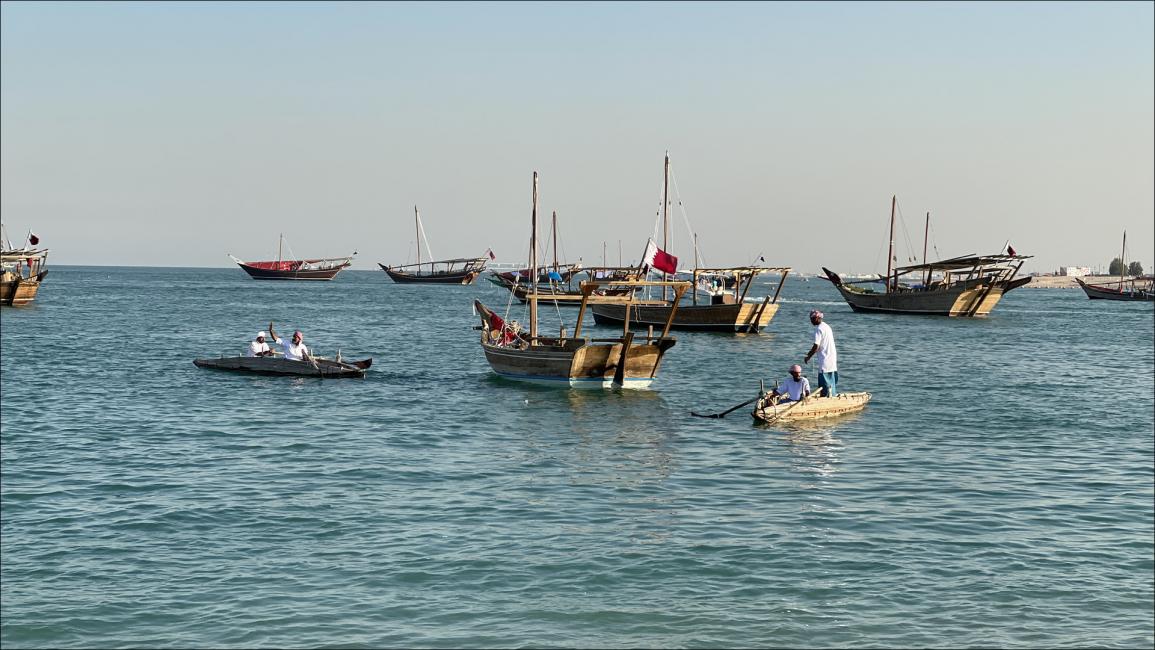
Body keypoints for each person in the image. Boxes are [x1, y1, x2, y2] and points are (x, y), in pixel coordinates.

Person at [803, 309, 838, 396]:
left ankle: (826, 397)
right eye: (811, 318)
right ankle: (832, 395)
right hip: (832, 357)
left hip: (825, 358)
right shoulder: (827, 326)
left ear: (819, 318)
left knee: (824, 380)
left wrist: (808, 357)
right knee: (831, 378)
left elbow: (816, 346)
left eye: (813, 318)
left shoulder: (819, 329)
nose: (811, 320)